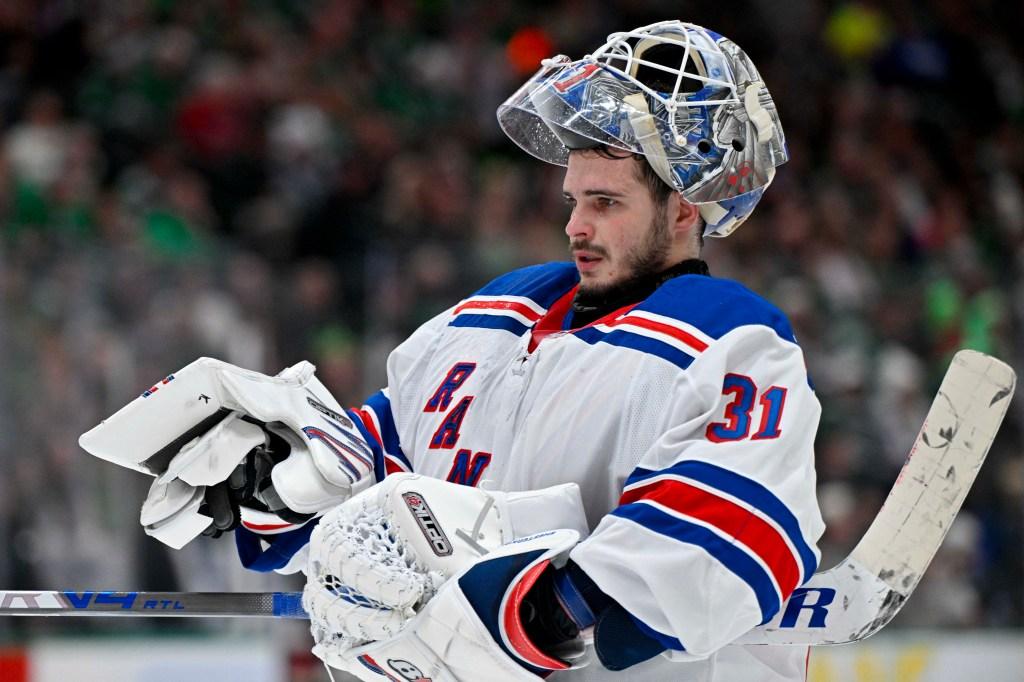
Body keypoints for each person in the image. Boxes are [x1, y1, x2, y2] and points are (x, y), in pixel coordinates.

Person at [81, 20, 824, 682]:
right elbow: (375, 482)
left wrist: (550, 614)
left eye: (607, 203)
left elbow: (728, 534)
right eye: (574, 199)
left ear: (685, 209)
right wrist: (274, 487)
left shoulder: (733, 341)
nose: (576, 226)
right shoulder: (493, 316)